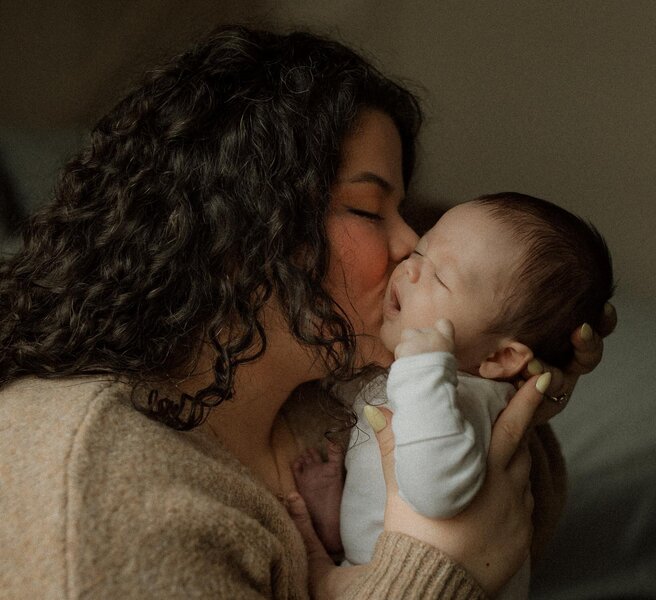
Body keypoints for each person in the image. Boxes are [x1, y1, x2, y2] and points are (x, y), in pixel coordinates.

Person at [0, 26, 614, 599]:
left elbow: (504, 536)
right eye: (371, 211)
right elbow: (470, 554)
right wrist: (434, 572)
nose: (409, 247)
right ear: (241, 229)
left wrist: (507, 394)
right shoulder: (101, 501)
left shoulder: (324, 398)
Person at [292, 193, 614, 598]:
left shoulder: (464, 399)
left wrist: (421, 369)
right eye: (423, 249)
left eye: (440, 277)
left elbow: (437, 490)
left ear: (500, 356)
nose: (408, 267)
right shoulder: (424, 376)